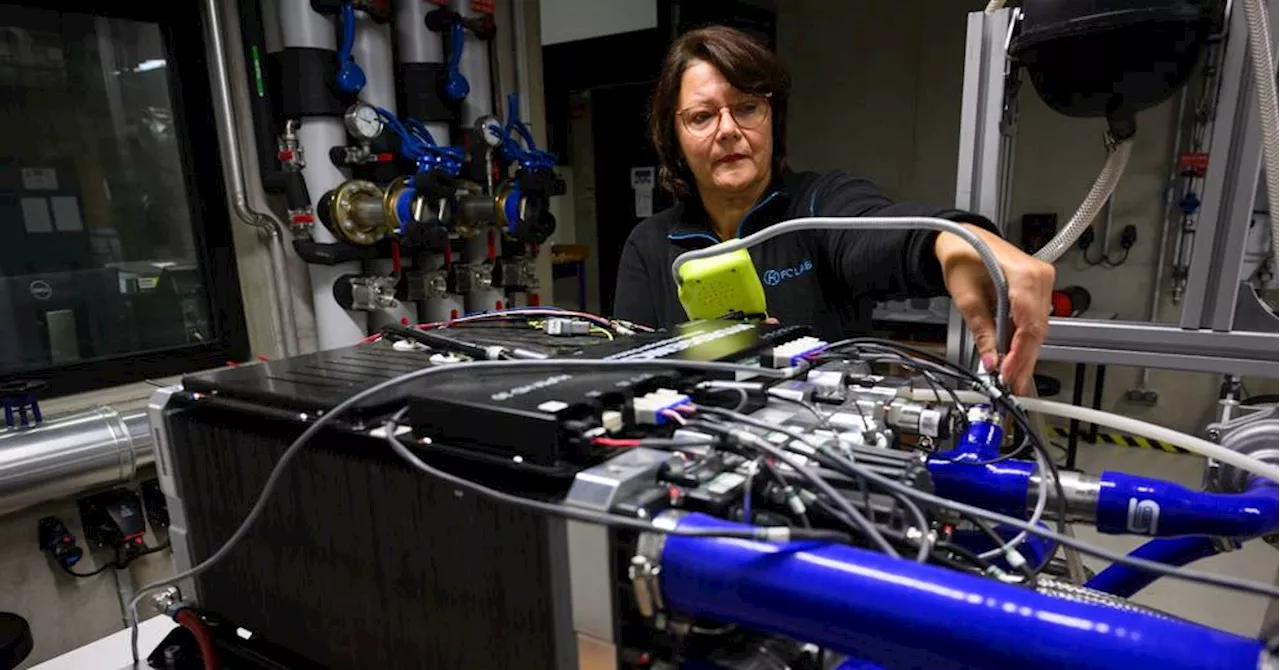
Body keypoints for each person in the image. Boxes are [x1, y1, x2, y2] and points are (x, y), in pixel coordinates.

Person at [612, 26, 1054, 393]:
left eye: (747, 107)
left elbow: (880, 230)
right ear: (674, 136)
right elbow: (625, 373)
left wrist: (954, 242)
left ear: (773, 118)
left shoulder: (820, 205)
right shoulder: (651, 245)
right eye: (702, 117)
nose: (728, 130)